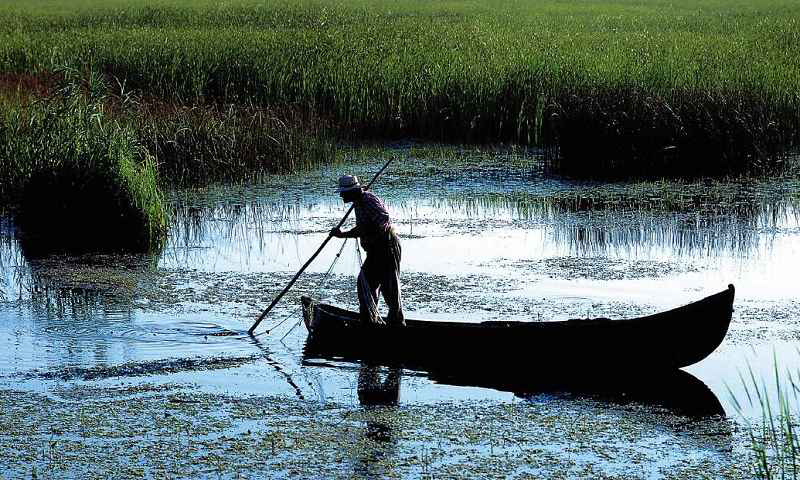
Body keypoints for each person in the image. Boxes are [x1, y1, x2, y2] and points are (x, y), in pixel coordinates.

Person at [330, 175, 405, 327]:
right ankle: (369, 322)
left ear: (353, 191)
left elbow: (381, 222)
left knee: (389, 289)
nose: (341, 195)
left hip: (386, 248)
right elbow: (364, 227)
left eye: (343, 192)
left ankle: (397, 325)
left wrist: (344, 234)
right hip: (374, 251)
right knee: (365, 284)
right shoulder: (358, 202)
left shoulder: (368, 200)